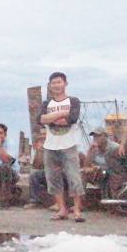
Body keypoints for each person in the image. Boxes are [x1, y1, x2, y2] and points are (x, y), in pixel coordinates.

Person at [38, 72, 86, 222]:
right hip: (50, 145)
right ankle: (62, 209)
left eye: (59, 82)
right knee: (53, 178)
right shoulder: (46, 104)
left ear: (65, 83)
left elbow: (71, 119)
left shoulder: (74, 101)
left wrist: (52, 118)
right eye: (53, 83)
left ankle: (77, 210)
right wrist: (61, 114)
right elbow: (41, 119)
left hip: (69, 144)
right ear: (49, 86)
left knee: (74, 177)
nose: (56, 85)